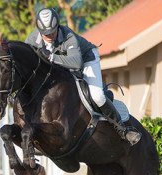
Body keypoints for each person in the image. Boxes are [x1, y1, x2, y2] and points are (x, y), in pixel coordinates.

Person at [25, 8, 141, 146]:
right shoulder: (31, 40)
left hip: (86, 60)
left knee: (97, 95)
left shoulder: (68, 36)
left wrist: (50, 56)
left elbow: (76, 62)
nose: (49, 35)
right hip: (61, 66)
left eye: (52, 31)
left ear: (58, 26)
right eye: (46, 33)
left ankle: (123, 129)